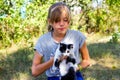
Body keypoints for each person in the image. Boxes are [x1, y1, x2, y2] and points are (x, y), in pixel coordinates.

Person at [32, 2, 90, 80]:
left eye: (65, 20)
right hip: (54, 77)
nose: (62, 24)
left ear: (69, 20)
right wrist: (53, 60)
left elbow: (86, 60)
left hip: (74, 76)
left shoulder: (77, 36)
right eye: (57, 21)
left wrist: (74, 68)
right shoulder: (43, 41)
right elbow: (35, 71)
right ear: (50, 22)